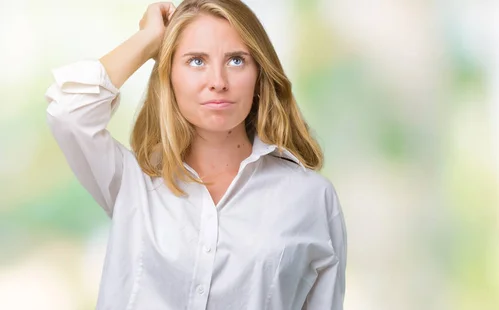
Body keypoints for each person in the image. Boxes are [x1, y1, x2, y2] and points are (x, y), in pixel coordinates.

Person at [44, 0, 347, 309]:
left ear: (259, 74)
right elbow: (68, 112)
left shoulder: (311, 198)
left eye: (236, 60)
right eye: (196, 61)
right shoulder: (132, 182)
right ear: (169, 76)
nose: (218, 82)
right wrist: (148, 39)